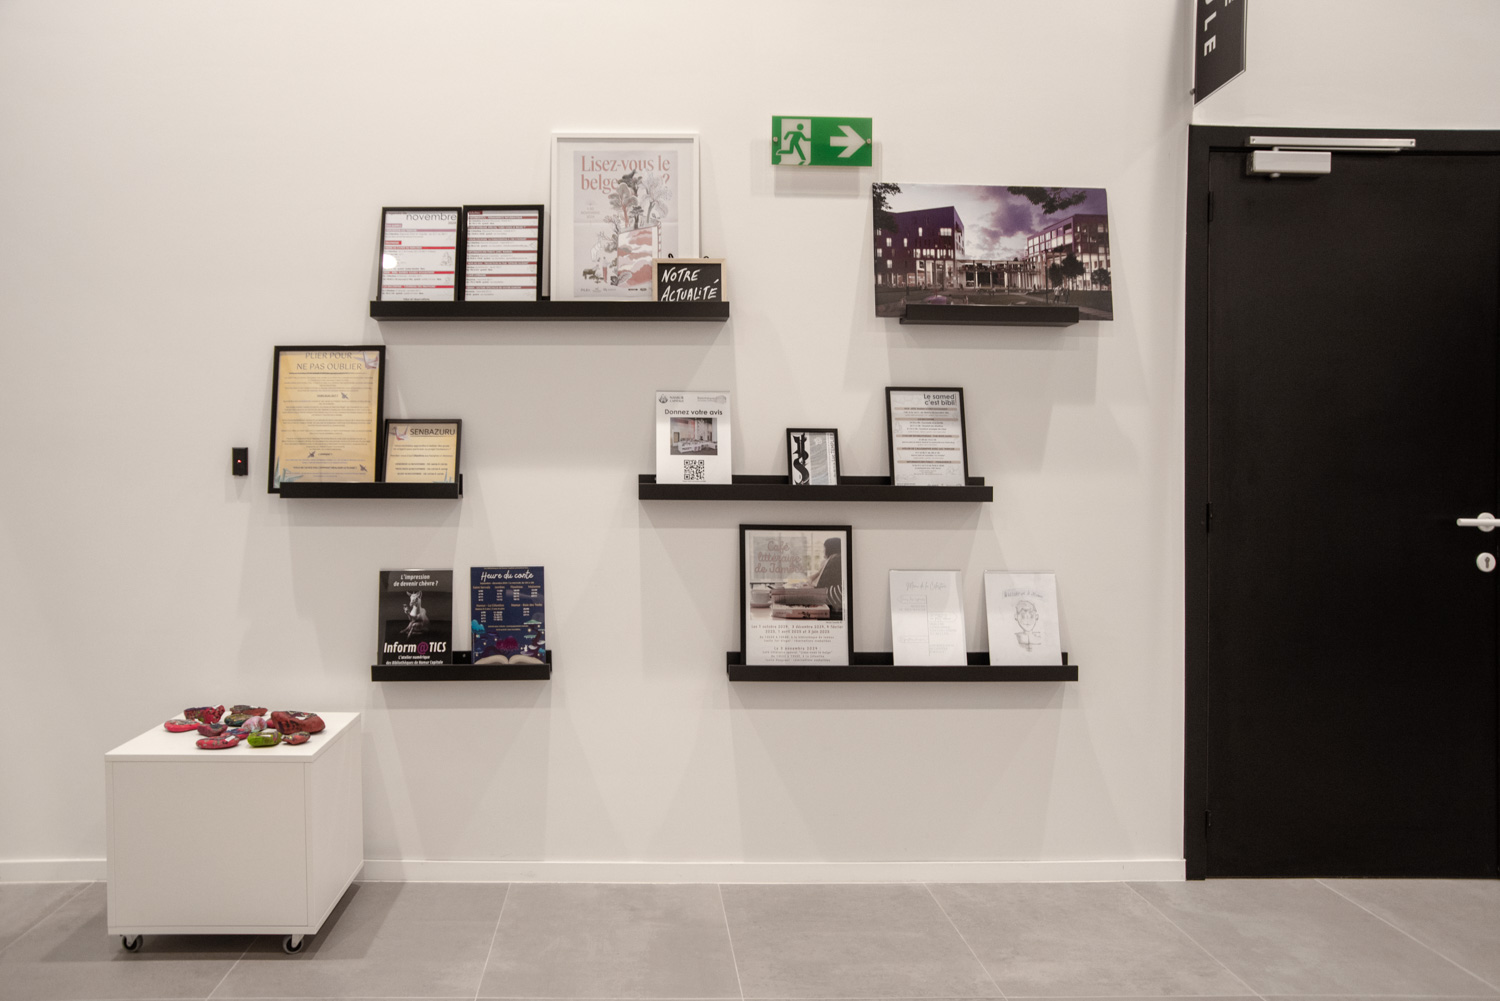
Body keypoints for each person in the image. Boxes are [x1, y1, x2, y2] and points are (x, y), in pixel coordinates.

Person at [813, 536, 844, 620]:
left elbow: (840, 591)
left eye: (824, 548)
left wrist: (815, 593)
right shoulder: (836, 559)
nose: (823, 551)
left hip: (831, 609)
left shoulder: (835, 559)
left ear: (830, 548)